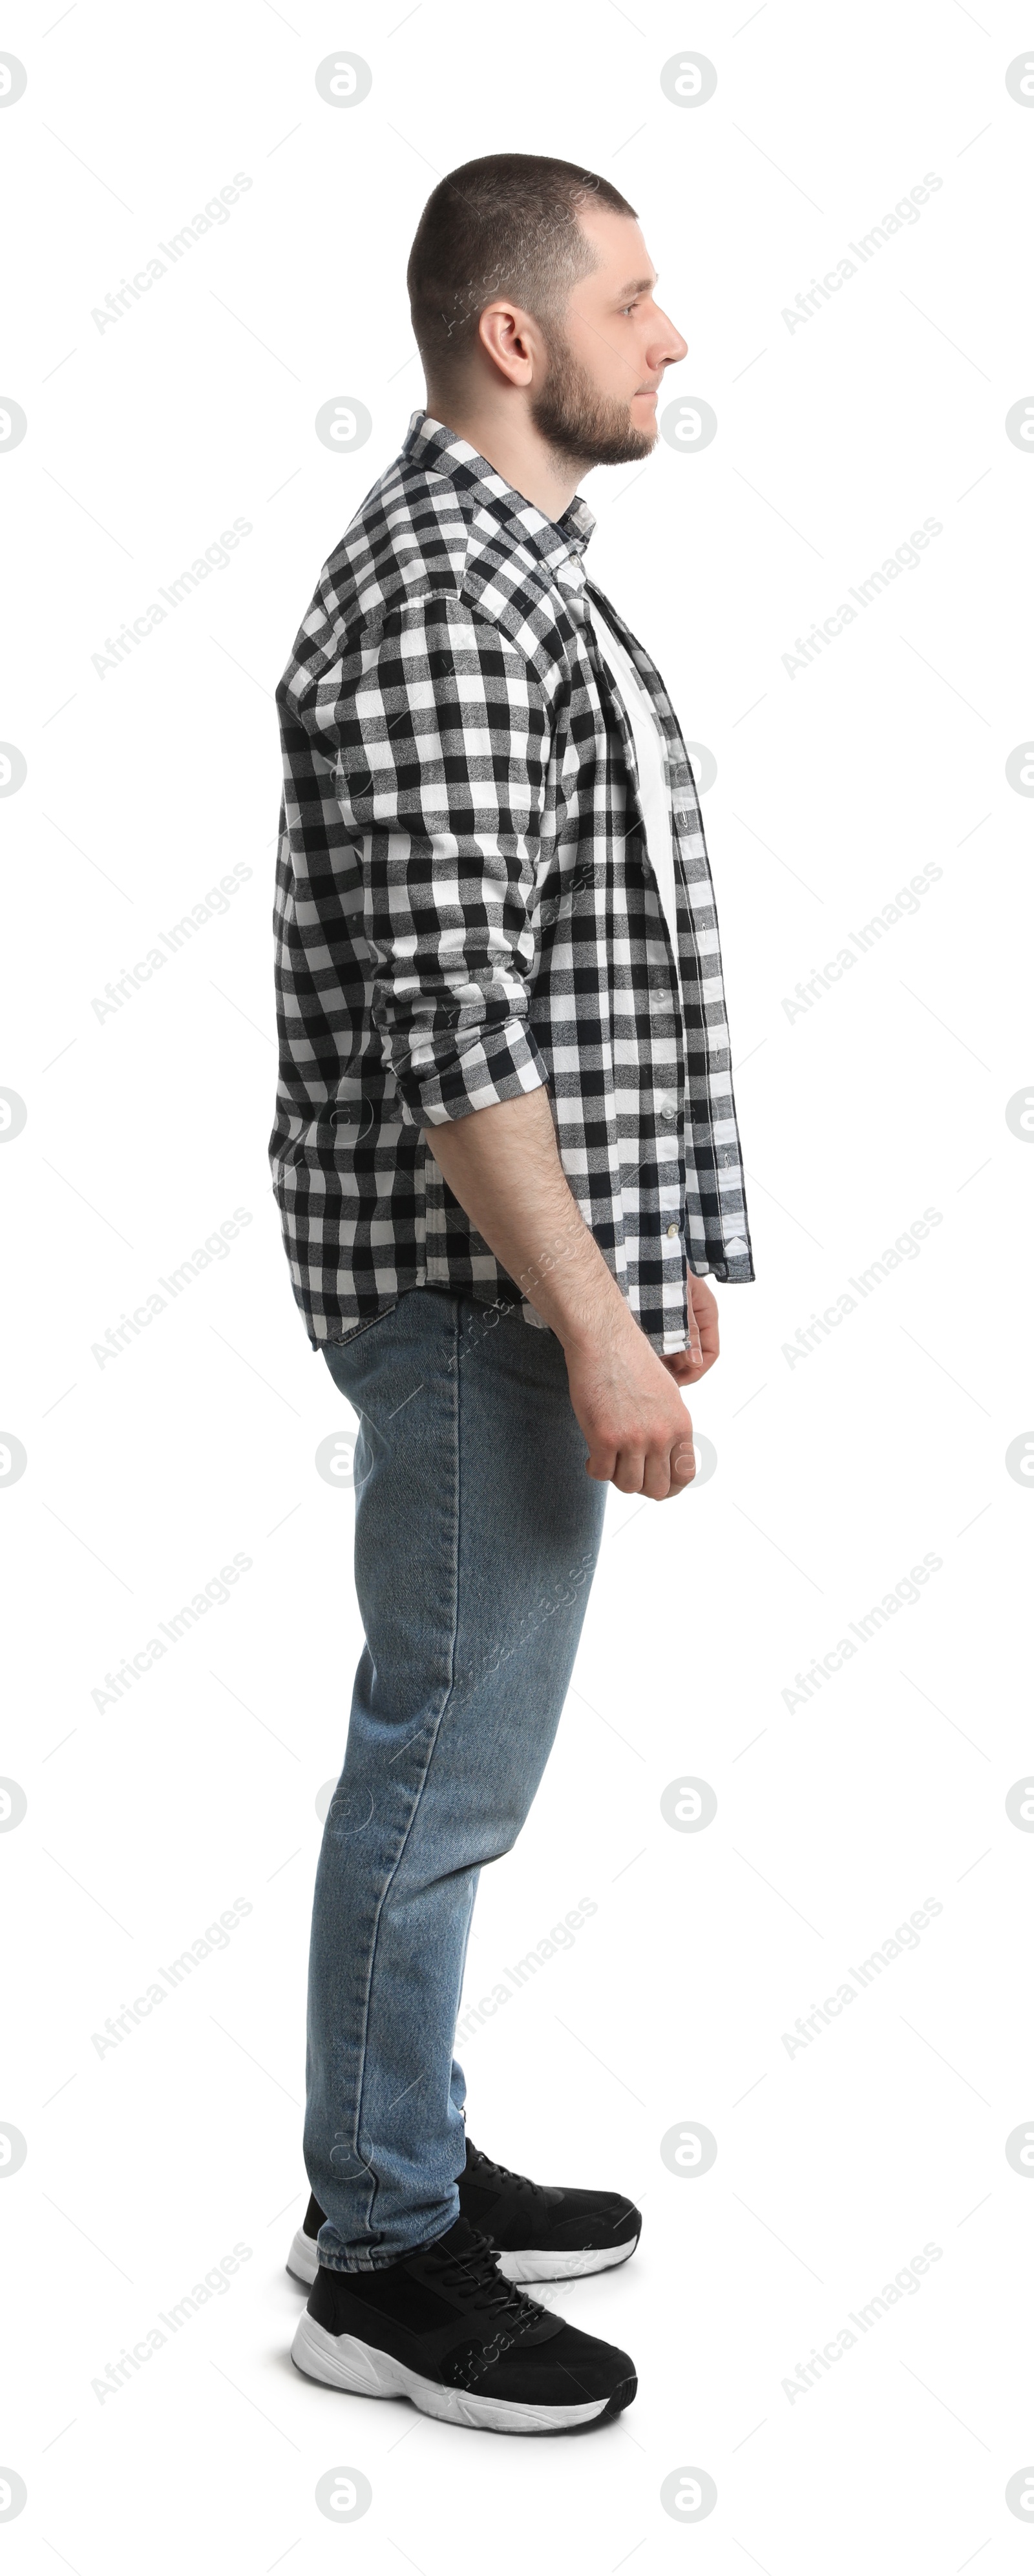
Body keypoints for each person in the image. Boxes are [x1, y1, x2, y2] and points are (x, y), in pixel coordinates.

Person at [268, 152, 754, 2436]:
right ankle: (376, 2255)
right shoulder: (443, 600)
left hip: (531, 1290)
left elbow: (586, 953)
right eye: (638, 300)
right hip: (471, 1305)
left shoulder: (522, 577)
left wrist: (645, 1262)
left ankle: (405, 2158)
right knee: (441, 1768)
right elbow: (456, 1025)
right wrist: (587, 1324)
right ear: (513, 337)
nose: (672, 339)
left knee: (453, 1752)